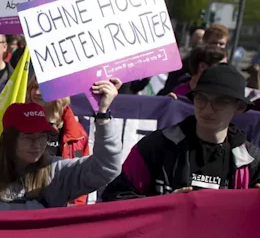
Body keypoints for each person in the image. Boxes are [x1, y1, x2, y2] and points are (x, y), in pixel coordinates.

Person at [0, 81, 121, 212]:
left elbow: (106, 168)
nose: (37, 145)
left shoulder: (56, 171)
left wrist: (103, 116)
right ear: (9, 140)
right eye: (28, 137)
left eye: (42, 136)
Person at [104, 65, 260, 199]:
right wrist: (167, 205)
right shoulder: (157, 146)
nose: (207, 109)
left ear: (239, 107)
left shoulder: (251, 161)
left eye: (220, 102)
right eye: (201, 99)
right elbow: (115, 196)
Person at [159, 23, 229, 96]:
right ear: (205, 41)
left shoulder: (226, 67)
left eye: (221, 44)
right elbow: (171, 88)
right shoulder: (188, 62)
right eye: (213, 43)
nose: (217, 47)